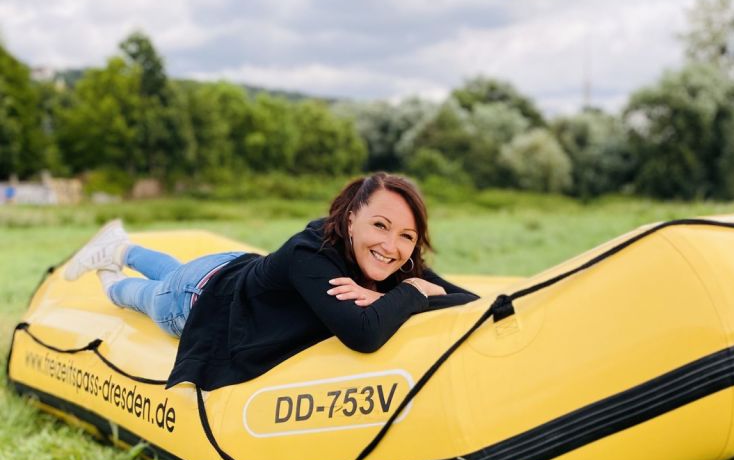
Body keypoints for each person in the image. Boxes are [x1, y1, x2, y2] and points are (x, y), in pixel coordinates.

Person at [64, 173, 479, 390]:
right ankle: (110, 270)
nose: (392, 246)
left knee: (173, 270)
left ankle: (121, 245)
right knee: (141, 293)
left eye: (407, 236)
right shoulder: (311, 253)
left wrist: (419, 289)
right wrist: (412, 292)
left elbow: (468, 301)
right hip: (201, 298)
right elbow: (363, 334)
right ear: (352, 219)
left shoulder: (393, 259)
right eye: (381, 226)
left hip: (230, 267)